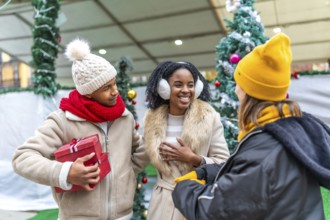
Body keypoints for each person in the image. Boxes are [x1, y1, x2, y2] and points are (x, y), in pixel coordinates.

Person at [172, 33, 330, 220]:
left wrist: (184, 188)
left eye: (239, 83)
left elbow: (216, 210)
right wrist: (208, 172)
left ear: (250, 90)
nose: (236, 89)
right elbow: (250, 176)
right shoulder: (286, 132)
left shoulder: (266, 149)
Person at [12, 38, 146, 220]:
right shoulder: (62, 121)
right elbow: (22, 158)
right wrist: (66, 173)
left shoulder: (125, 117)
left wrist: (124, 173)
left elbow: (136, 151)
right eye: (107, 87)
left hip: (123, 216)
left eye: (114, 83)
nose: (115, 91)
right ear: (88, 92)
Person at [143, 61, 230, 220]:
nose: (185, 90)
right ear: (164, 88)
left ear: (196, 88)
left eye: (190, 85)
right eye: (178, 84)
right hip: (161, 206)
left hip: (195, 202)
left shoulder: (210, 118)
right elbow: (139, 156)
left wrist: (193, 158)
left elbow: (224, 163)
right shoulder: (151, 119)